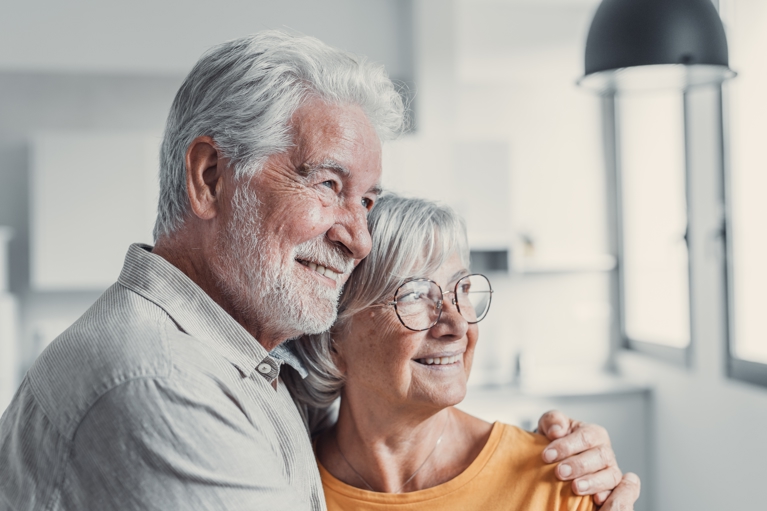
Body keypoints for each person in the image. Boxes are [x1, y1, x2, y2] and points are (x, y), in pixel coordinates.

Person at [0, 32, 638, 510]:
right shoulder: (162, 384)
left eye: (366, 200)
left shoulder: (245, 368)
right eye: (328, 184)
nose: (357, 237)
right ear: (210, 178)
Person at [286, 194, 637, 510]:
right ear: (332, 333)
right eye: (413, 294)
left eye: (462, 288)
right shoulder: (285, 487)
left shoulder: (558, 480)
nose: (457, 325)